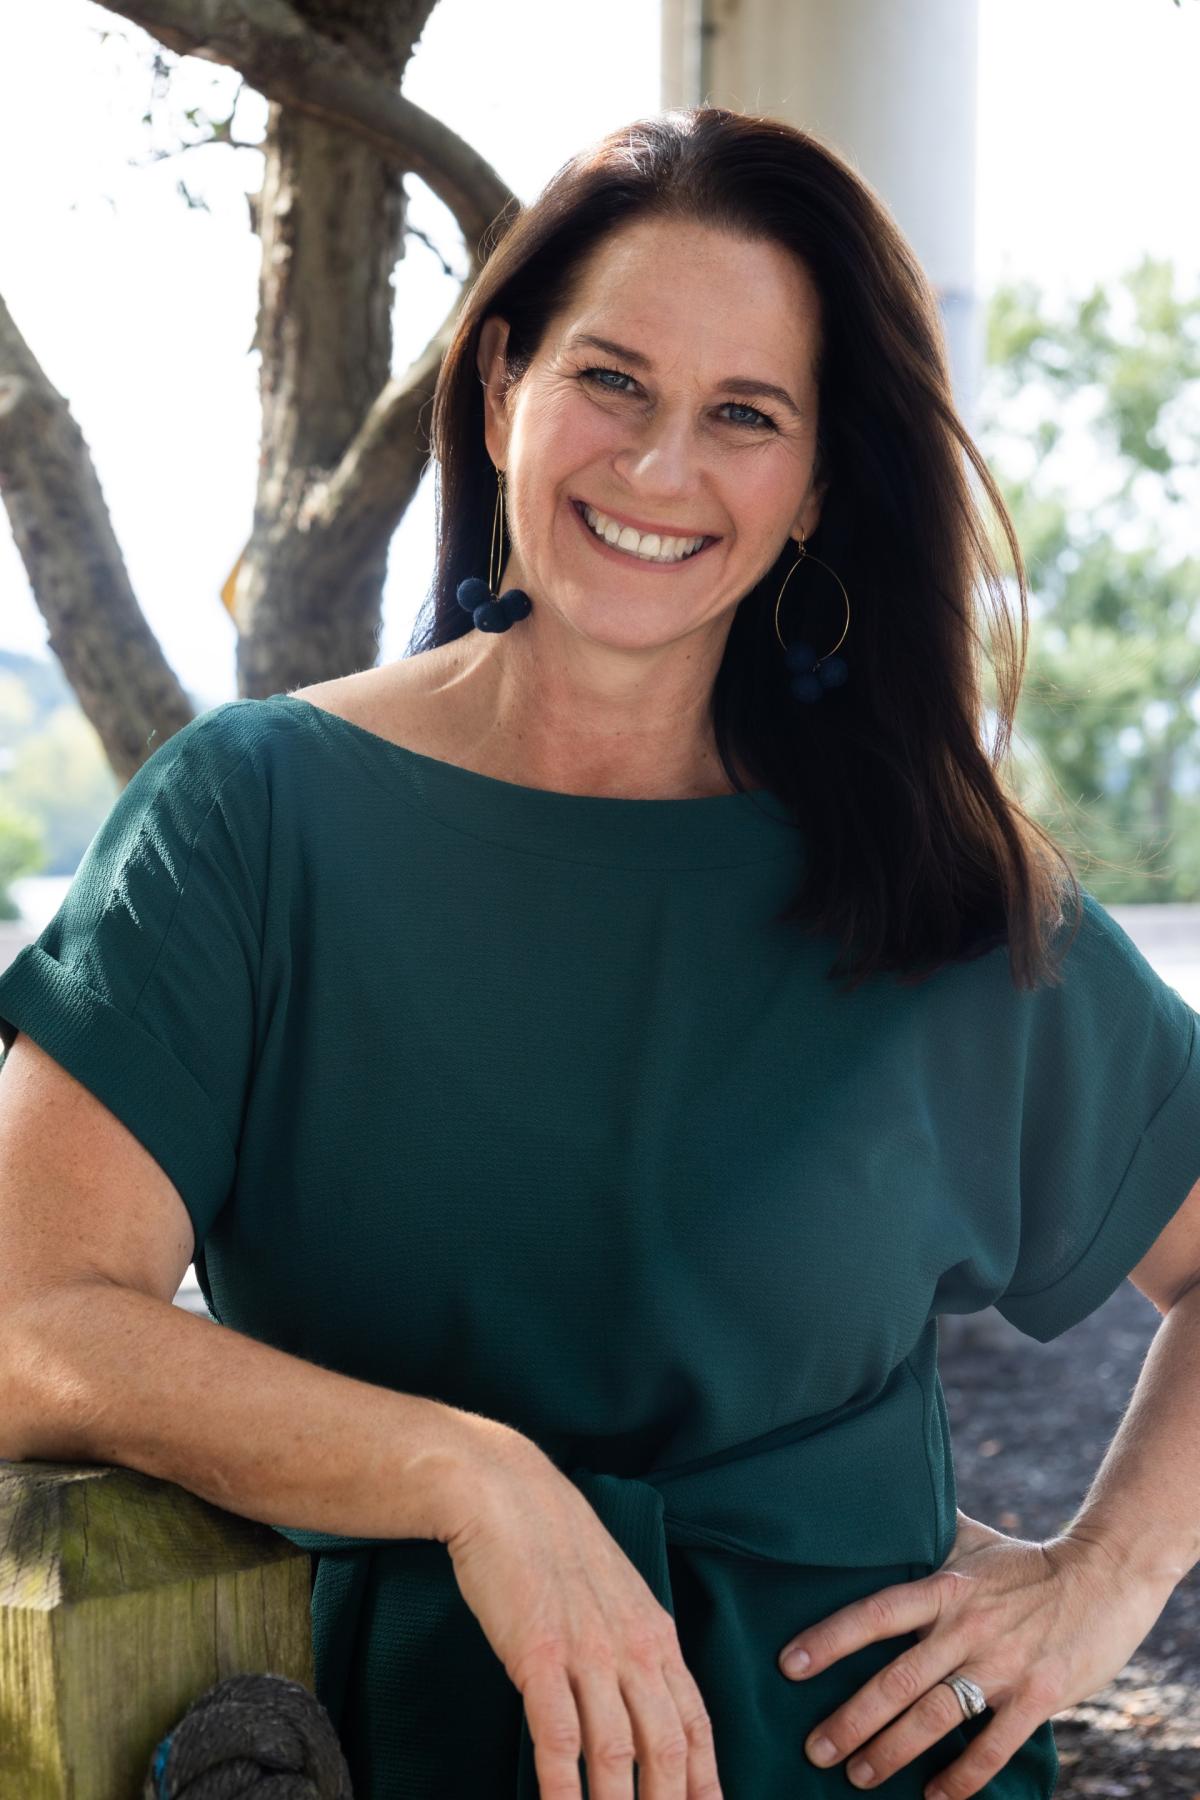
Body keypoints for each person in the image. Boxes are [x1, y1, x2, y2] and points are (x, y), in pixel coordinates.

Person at [2, 106, 1200, 1800]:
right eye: (612, 382)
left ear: (816, 486)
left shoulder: (929, 884)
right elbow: (27, 1319)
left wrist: (1105, 1585)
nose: (657, 468)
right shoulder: (255, 820)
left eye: (745, 417)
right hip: (382, 1753)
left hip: (855, 1762)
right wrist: (468, 1476)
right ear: (504, 391)